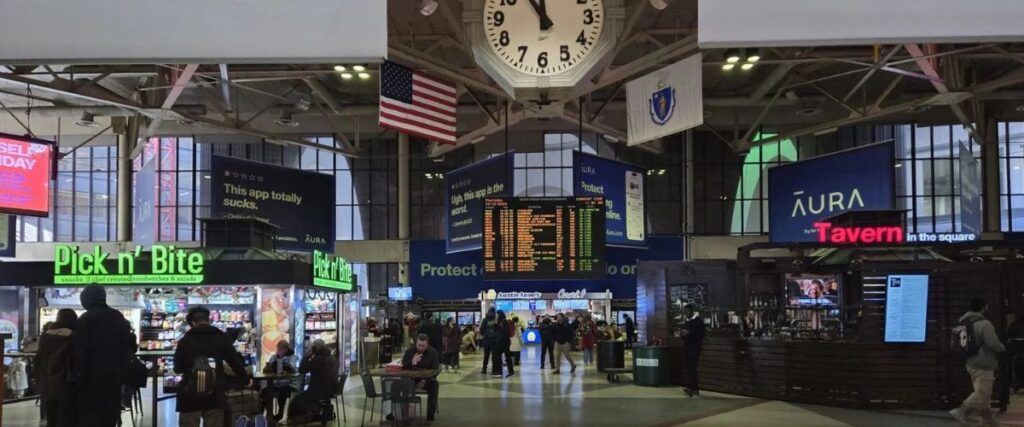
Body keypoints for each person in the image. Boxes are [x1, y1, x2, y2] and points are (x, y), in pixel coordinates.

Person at [174, 306, 252, 427]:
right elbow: (235, 362)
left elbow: (177, 368)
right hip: (215, 393)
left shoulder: (185, 340)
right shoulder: (221, 337)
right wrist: (246, 381)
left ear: (192, 323)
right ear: (209, 320)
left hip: (189, 393)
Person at [73, 284, 134, 427]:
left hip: (91, 377)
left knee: (91, 415)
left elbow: (80, 350)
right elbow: (128, 346)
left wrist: (77, 374)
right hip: (114, 376)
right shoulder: (118, 317)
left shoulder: (86, 319)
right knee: (109, 414)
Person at [950, 298, 1006, 426]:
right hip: (983, 361)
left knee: (983, 390)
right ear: (984, 307)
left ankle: (988, 418)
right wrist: (1003, 348)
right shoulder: (984, 324)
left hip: (969, 361)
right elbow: (993, 343)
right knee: (983, 392)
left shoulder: (962, 321)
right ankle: (961, 411)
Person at [36, 309, 78, 427]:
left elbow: (39, 359)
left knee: (51, 415)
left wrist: (38, 378)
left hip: (48, 380)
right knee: (68, 416)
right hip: (67, 380)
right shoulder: (74, 336)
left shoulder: (46, 336)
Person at [288, 340, 340, 424]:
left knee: (296, 399)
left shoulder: (318, 360)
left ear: (314, 349)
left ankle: (296, 419)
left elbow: (302, 370)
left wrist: (307, 356)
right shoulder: (333, 359)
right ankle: (317, 414)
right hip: (333, 391)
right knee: (304, 397)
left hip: (318, 391)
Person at [401, 334, 441, 422]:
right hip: (410, 380)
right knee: (396, 384)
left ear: (427, 345)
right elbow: (403, 366)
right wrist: (412, 362)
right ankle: (400, 413)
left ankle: (430, 413)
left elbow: (435, 370)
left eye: (423, 346)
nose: (421, 347)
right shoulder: (410, 351)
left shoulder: (433, 353)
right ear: (416, 343)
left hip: (426, 380)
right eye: (419, 345)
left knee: (434, 384)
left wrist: (425, 379)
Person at [261, 340, 297, 421]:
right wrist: (268, 368)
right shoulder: (273, 357)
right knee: (265, 392)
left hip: (287, 383)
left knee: (282, 392)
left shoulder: (292, 357)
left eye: (280, 349)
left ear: (286, 349)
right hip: (274, 383)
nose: (278, 351)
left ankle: (280, 414)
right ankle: (269, 414)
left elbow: (293, 370)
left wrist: (286, 367)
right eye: (278, 349)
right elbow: (267, 368)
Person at [491, 310, 515, 378]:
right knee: (504, 357)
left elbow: (505, 332)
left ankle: (506, 372)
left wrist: (499, 339)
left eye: (497, 314)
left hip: (504, 343)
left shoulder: (504, 321)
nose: (496, 316)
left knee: (505, 357)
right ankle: (505, 372)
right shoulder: (499, 322)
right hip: (503, 342)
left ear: (500, 315)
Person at [480, 307, 497, 374]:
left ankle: (484, 369)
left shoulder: (485, 320)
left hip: (486, 340)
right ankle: (494, 370)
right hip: (494, 340)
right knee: (494, 355)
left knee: (486, 355)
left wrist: (484, 334)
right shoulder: (496, 320)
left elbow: (481, 330)